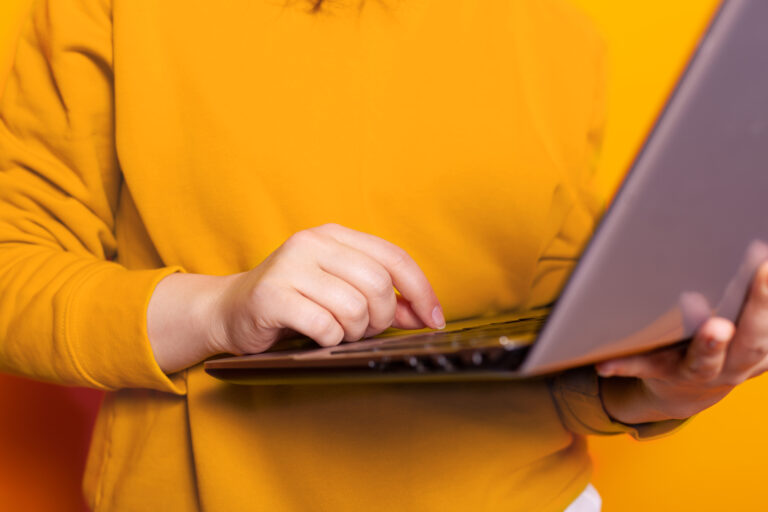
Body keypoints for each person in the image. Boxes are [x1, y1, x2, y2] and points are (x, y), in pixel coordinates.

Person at [1, 0, 766, 510]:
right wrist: (222, 309)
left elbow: (543, 346)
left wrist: (661, 383)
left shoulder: (551, 25)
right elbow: (13, 272)